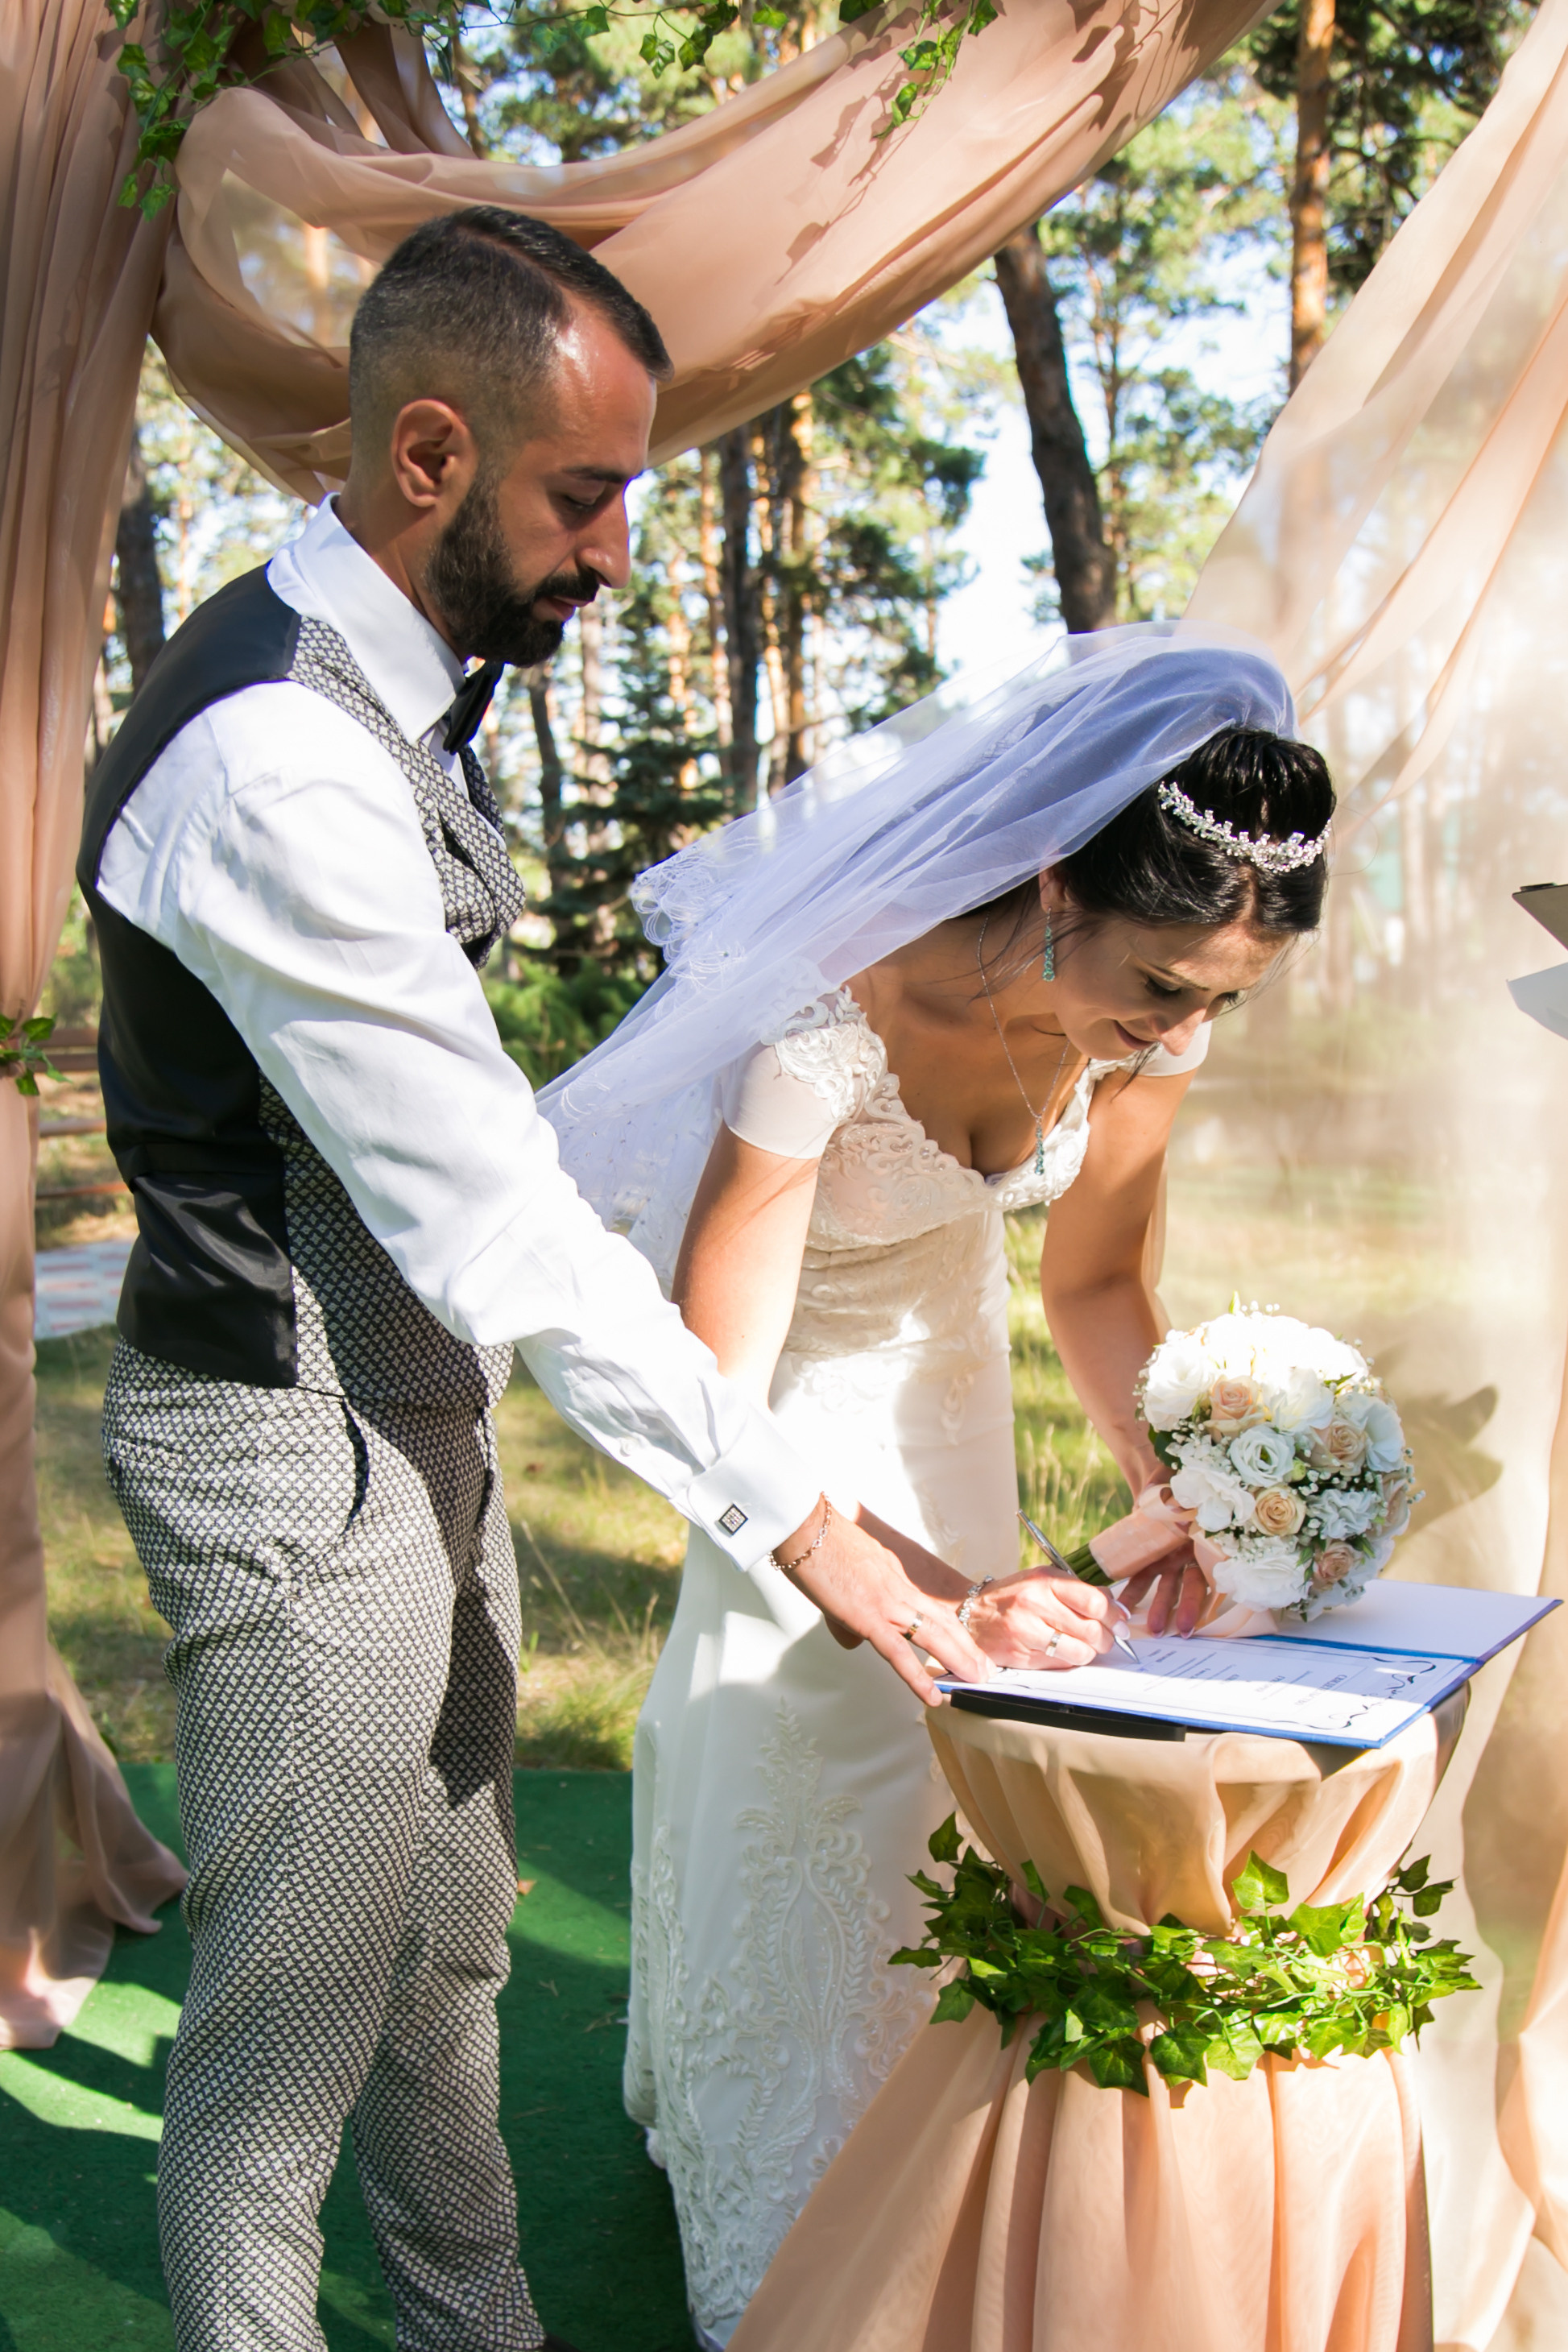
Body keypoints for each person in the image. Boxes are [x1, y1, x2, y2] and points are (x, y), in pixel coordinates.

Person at [77, 208, 1065, 2352]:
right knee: (291, 2015)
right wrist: (811, 1527)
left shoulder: (391, 696)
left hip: (409, 1418)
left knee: (451, 1945)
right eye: (585, 493)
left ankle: (479, 2330)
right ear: (429, 452)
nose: (618, 547)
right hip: (276, 1428)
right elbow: (494, 1215)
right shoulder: (275, 756)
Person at [540, 633, 1334, 2348]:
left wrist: (1189, 1480)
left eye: (1218, 998)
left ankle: (977, 2200)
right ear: (1051, 879)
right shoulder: (823, 1008)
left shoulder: (1145, 1029)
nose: (1179, 1027)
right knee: (812, 1807)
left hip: (958, 1438)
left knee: (971, 1834)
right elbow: (709, 1382)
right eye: (1159, 982)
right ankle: (799, 2231)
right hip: (792, 1472)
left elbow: (1098, 1286)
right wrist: (911, 1586)